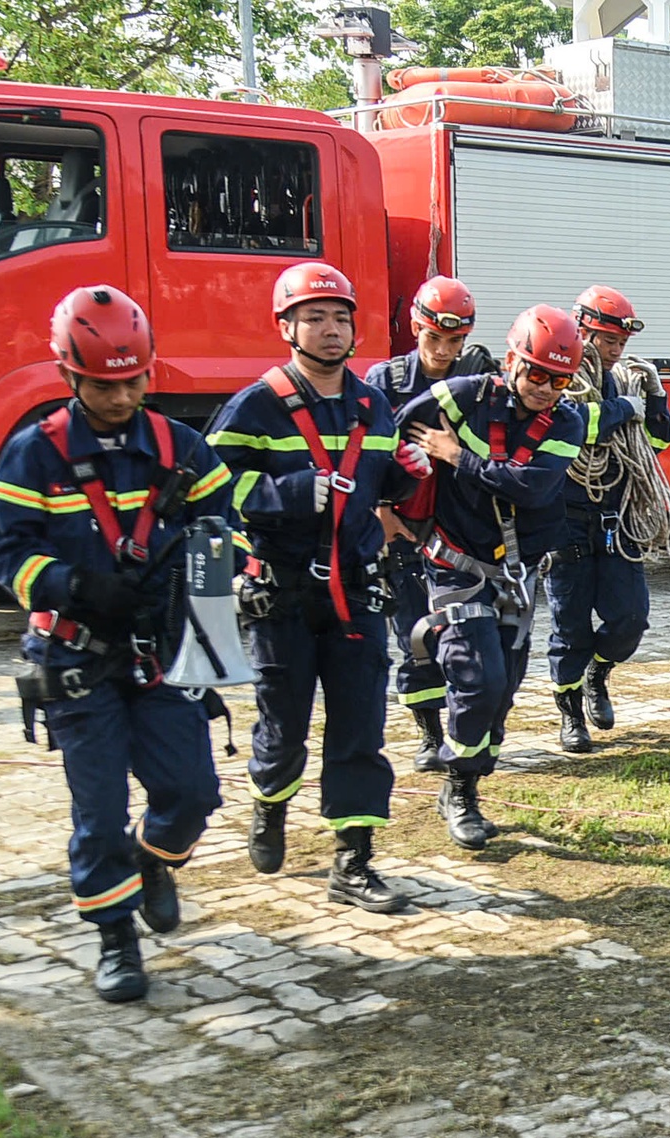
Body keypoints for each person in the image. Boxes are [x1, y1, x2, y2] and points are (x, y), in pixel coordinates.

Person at [0, 285, 236, 1002]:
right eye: (103, 382)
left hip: (159, 651)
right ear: (68, 375)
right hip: (75, 655)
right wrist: (72, 585)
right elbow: (6, 555)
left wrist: (198, 575)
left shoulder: (180, 448)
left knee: (190, 792)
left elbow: (227, 527)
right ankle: (116, 938)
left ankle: (155, 859)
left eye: (132, 380)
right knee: (97, 813)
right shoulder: (34, 456)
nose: (120, 395)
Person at [206, 263, 426, 913]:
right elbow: (211, 491)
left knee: (361, 729)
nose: (332, 330)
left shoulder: (371, 404)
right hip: (281, 597)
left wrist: (406, 478)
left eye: (341, 317)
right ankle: (269, 804)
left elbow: (381, 486)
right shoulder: (256, 406)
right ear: (286, 326)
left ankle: (353, 859)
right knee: (285, 728)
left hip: (356, 593)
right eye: (315, 317)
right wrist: (292, 493)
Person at [393, 306, 589, 849]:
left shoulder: (568, 421)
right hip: (455, 564)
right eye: (537, 374)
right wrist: (389, 503)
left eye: (560, 379)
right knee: (477, 679)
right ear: (511, 362)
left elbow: (530, 488)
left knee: (501, 687)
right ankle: (460, 791)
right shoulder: (462, 396)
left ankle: (472, 771)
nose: (547, 388)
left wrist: (457, 456)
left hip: (517, 575)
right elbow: (395, 430)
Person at [365, 276, 492, 773]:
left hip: (459, 527)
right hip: (403, 525)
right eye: (433, 338)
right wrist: (381, 511)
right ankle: (428, 732)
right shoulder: (385, 382)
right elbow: (367, 453)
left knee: (460, 635)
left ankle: (465, 729)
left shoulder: (481, 380)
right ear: (416, 328)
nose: (442, 350)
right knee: (412, 631)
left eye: (454, 341)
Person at [545, 284, 670, 753]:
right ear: (581, 332)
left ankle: (598, 673)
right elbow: (573, 423)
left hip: (617, 515)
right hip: (567, 519)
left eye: (621, 343)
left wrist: (654, 399)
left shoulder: (627, 379)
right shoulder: (556, 374)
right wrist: (623, 409)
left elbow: (655, 445)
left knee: (630, 619)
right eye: (606, 341)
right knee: (570, 625)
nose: (616, 351)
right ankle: (570, 712)